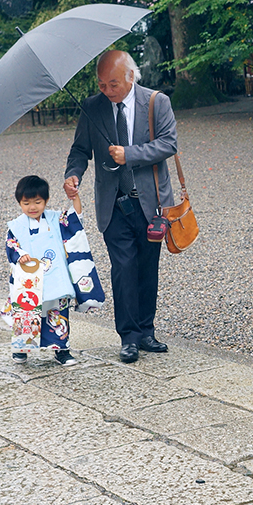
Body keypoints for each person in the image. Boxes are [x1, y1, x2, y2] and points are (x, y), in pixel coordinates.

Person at [64, 50, 177, 363]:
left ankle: (146, 330)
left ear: (131, 77)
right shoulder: (91, 107)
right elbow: (79, 150)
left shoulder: (156, 102)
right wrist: (73, 174)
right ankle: (128, 336)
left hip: (151, 202)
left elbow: (169, 143)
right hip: (113, 203)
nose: (106, 90)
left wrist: (130, 154)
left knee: (147, 268)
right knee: (123, 268)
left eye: (112, 84)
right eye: (101, 84)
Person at [3, 175, 105, 366]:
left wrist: (74, 197)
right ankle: (21, 348)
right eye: (26, 203)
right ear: (19, 203)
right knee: (26, 311)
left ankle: (61, 350)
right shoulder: (16, 226)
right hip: (30, 279)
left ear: (46, 200)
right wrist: (20, 255)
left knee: (58, 313)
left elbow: (74, 219)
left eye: (38, 202)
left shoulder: (56, 219)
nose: (32, 207)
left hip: (55, 276)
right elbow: (11, 245)